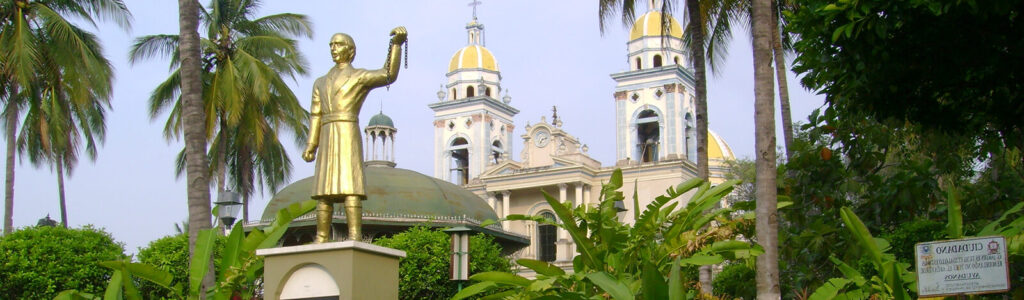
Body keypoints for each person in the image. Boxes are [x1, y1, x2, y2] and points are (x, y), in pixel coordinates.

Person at [302, 28, 407, 243]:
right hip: (327, 133)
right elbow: (315, 114)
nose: (333, 49)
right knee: (323, 192)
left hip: (348, 131)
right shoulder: (320, 82)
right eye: (331, 45)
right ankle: (321, 236)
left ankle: (354, 234)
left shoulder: (359, 76)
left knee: (351, 187)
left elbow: (388, 74)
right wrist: (311, 144)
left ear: (350, 51)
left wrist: (396, 45)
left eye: (338, 44)